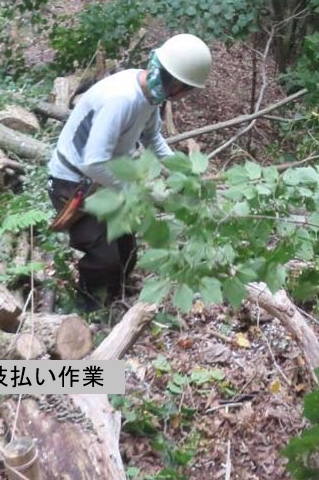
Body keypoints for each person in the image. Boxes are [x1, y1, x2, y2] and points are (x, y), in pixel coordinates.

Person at [47, 33, 212, 309]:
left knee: (127, 253)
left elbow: (152, 137)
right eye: (188, 91)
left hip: (104, 180)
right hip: (73, 183)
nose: (186, 97)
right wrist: (134, 191)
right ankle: (87, 305)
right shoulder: (122, 99)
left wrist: (183, 172)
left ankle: (115, 295)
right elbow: (92, 162)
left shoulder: (150, 96)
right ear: (176, 84)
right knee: (105, 258)